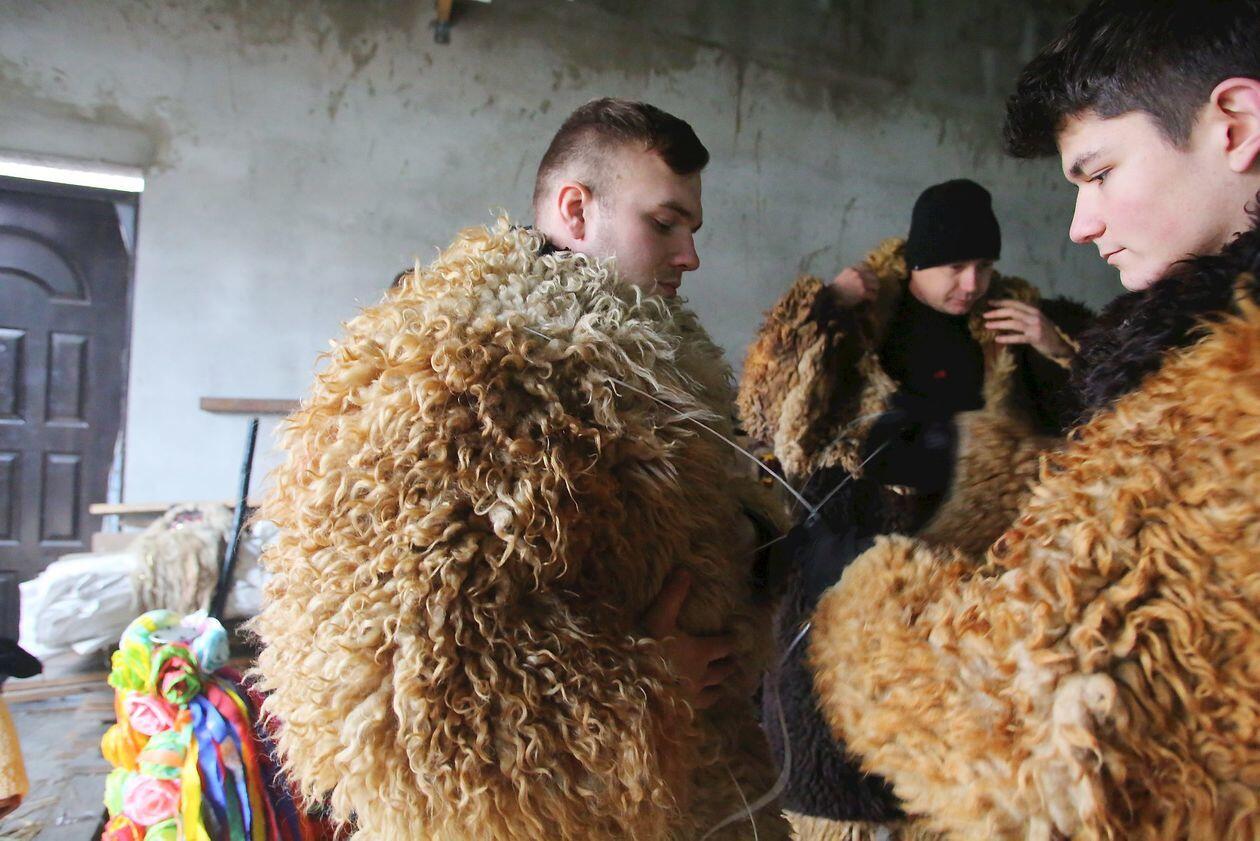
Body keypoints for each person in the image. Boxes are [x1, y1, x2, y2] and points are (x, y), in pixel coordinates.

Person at [252, 98, 790, 840]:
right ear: (576, 209)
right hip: (554, 817)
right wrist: (641, 688)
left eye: (693, 230)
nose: (689, 255)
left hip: (676, 795)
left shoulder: (646, 371)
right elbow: (388, 685)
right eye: (665, 224)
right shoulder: (478, 373)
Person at [807, 1, 1260, 838]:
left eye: (1099, 173)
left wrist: (857, 605)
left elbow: (1037, 731)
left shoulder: (1211, 394)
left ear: (1235, 124)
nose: (1081, 226)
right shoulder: (860, 321)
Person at [737, 179, 1091, 840]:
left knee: (942, 752)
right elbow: (767, 410)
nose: (971, 283)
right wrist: (826, 308)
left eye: (983, 265)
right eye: (954, 265)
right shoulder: (867, 311)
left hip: (965, 571)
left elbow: (1089, 432)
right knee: (830, 745)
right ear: (919, 259)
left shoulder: (1014, 321)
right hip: (842, 555)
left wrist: (1056, 345)